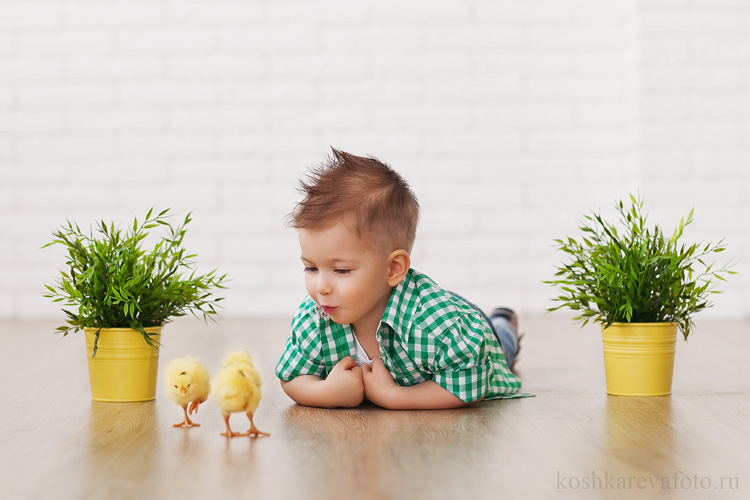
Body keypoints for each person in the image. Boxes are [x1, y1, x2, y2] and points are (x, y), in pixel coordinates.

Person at [275, 149, 523, 409]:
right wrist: (325, 392)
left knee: (502, 344)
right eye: (311, 268)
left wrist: (393, 396)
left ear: (393, 269)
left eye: (341, 271)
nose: (321, 287)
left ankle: (503, 322)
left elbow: (468, 383)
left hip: (471, 327)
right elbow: (292, 376)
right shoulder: (316, 316)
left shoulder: (437, 326)